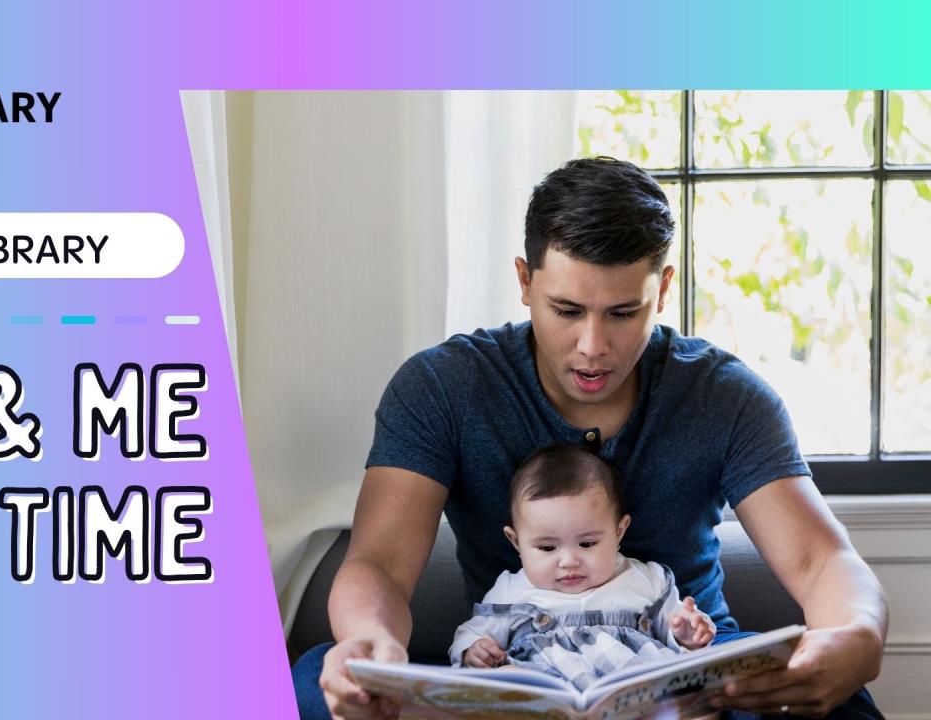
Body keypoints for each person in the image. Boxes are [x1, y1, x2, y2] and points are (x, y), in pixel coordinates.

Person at [293, 157, 887, 719]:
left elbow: (820, 561)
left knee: (842, 702)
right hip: (512, 680)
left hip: (694, 683)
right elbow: (381, 566)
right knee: (315, 680)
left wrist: (856, 634)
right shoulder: (442, 387)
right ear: (525, 282)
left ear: (663, 288)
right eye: (567, 310)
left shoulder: (726, 396)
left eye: (624, 313)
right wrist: (370, 645)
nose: (592, 347)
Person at [451, 444, 715, 692]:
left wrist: (687, 631)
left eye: (587, 543)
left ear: (619, 531)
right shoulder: (511, 589)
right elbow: (473, 631)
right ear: (516, 542)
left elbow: (675, 622)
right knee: (502, 681)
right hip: (544, 688)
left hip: (633, 686)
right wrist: (473, 649)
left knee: (692, 692)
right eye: (547, 548)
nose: (568, 561)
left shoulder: (644, 578)